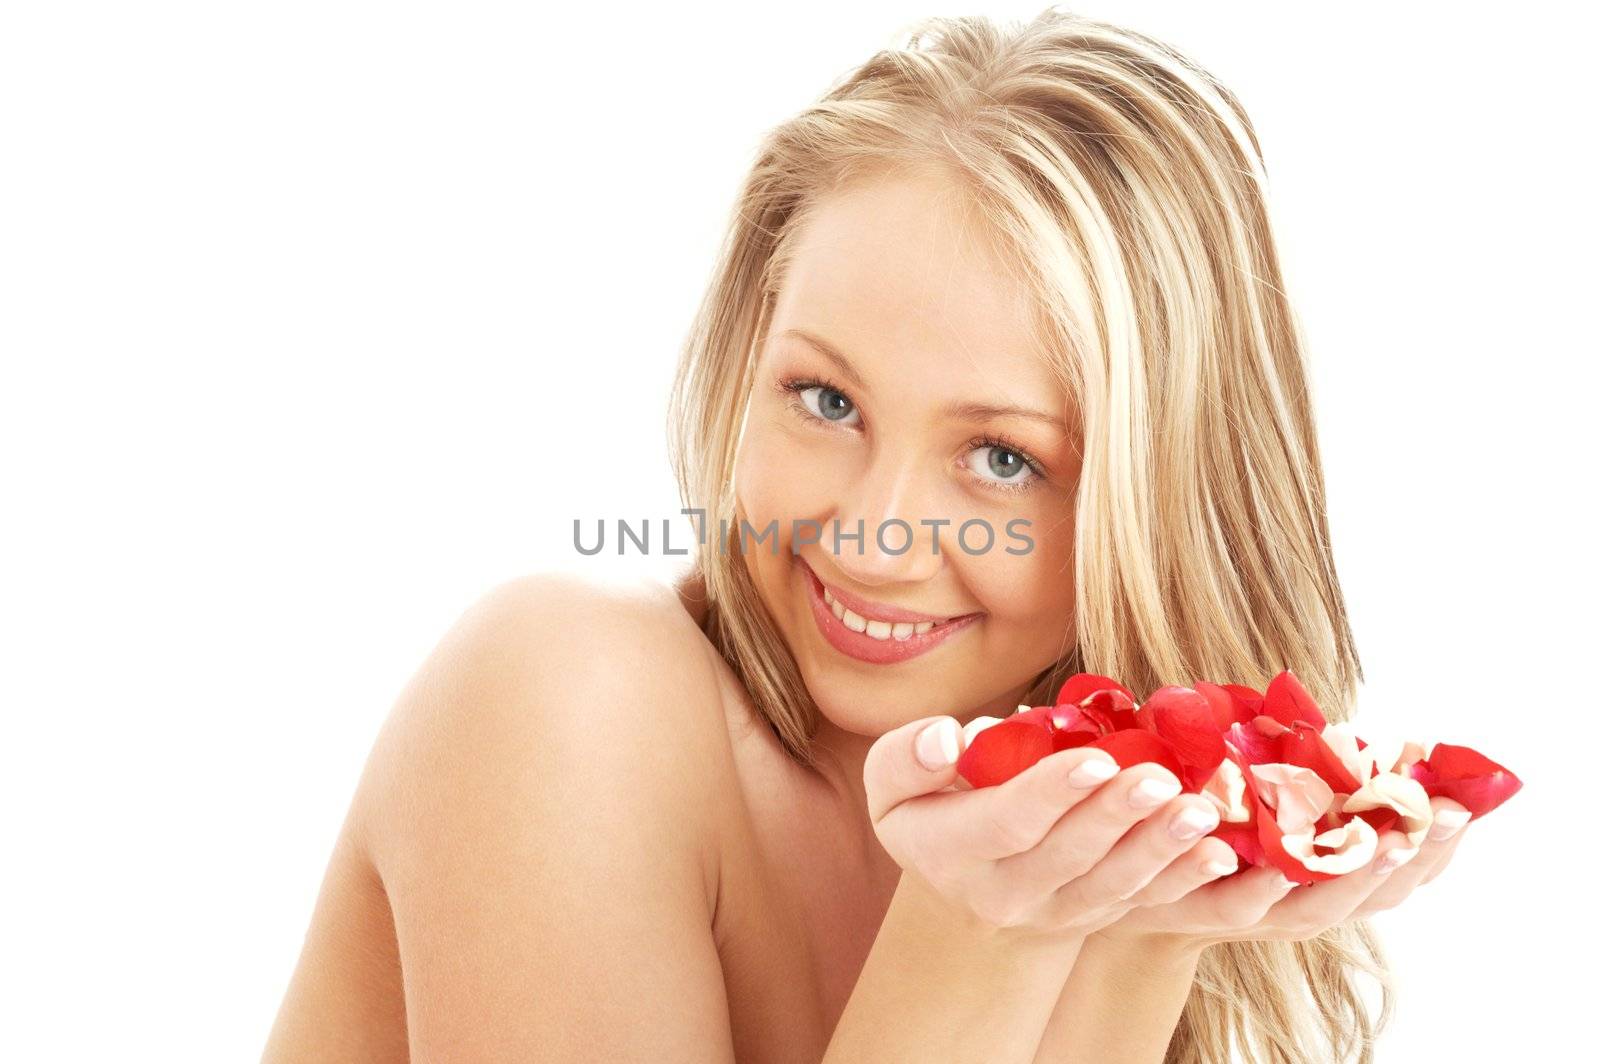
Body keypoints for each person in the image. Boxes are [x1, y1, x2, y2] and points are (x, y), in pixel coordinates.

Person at [261, 10, 1474, 1062]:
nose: (871, 537)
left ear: (1160, 505)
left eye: (1003, 458)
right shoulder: (562, 699)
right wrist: (974, 935)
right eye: (825, 399)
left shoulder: (1087, 820)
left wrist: (1146, 926)